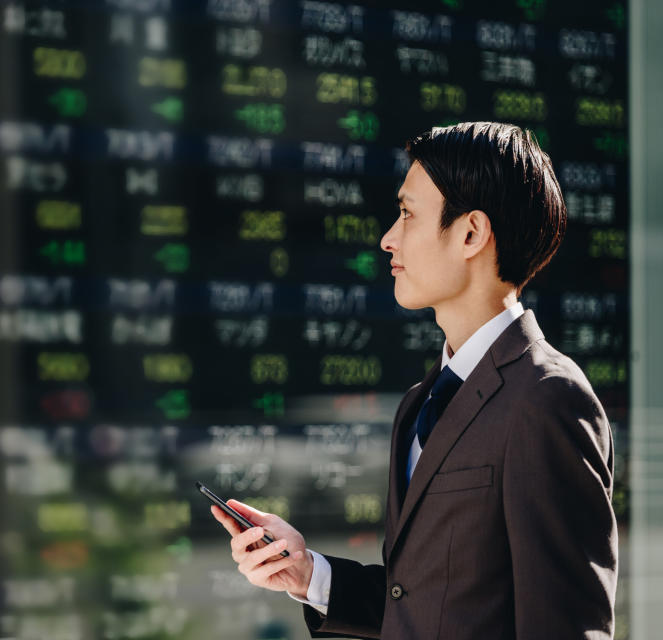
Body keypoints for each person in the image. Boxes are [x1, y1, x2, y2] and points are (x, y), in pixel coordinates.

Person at [211, 121, 618, 639]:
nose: (387, 239)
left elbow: (569, 628)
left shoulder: (548, 397)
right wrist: (310, 574)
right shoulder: (419, 403)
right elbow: (423, 602)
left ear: (471, 233)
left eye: (406, 214)